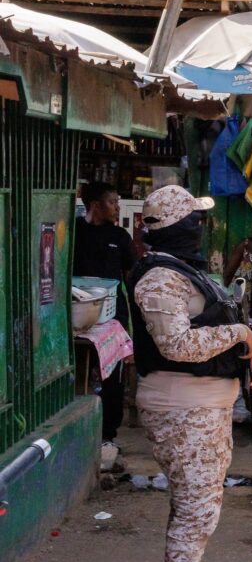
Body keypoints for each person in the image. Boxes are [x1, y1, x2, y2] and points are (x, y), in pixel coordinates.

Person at [128, 186, 252, 562]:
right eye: (196, 220)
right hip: (183, 411)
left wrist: (244, 355)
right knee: (195, 516)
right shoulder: (158, 280)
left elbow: (204, 332)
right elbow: (177, 347)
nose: (202, 228)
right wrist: (237, 334)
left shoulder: (178, 271)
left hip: (200, 408)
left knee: (194, 512)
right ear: (179, 227)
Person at [73, 182, 138, 445]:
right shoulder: (75, 231)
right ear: (96, 205)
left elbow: (130, 276)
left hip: (113, 315)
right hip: (77, 311)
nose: (117, 207)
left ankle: (107, 434)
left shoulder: (120, 237)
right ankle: (77, 428)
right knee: (77, 369)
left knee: (112, 375)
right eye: (112, 202)